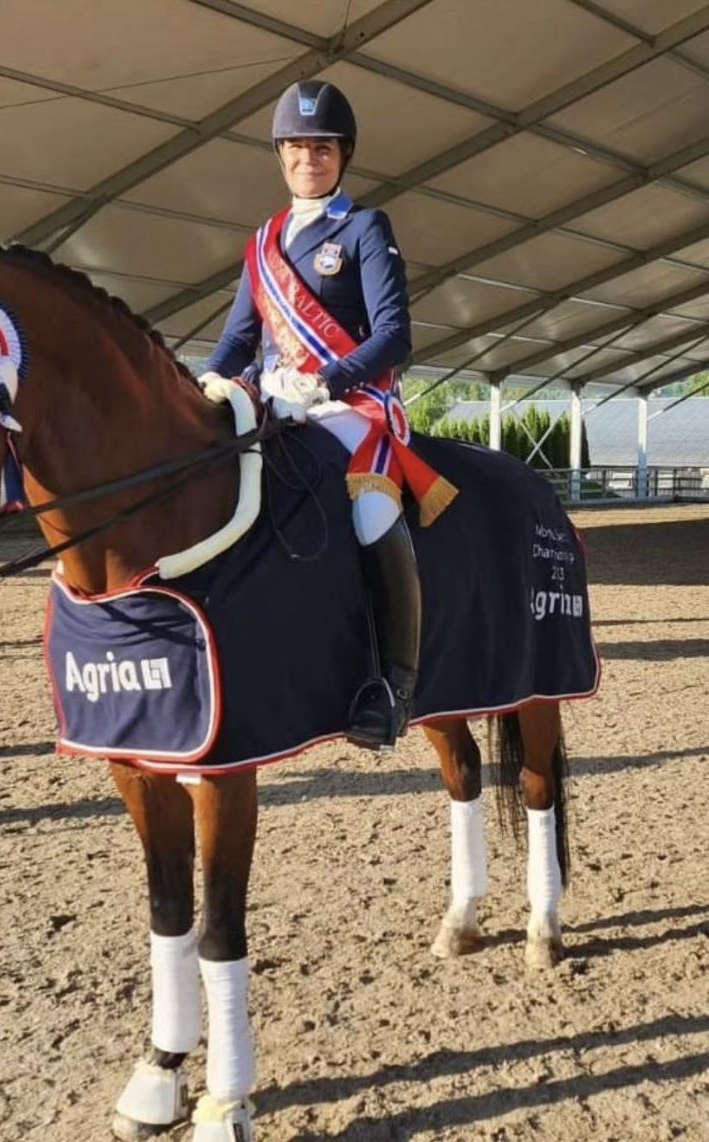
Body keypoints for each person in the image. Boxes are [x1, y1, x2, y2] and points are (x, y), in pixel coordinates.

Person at [200, 79, 456, 749]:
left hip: (351, 406)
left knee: (370, 512)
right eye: (296, 146)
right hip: (276, 402)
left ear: (342, 155)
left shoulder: (365, 228)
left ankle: (394, 686)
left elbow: (393, 335)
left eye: (321, 148)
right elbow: (237, 340)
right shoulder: (262, 244)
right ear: (280, 154)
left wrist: (326, 380)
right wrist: (207, 380)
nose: (307, 158)